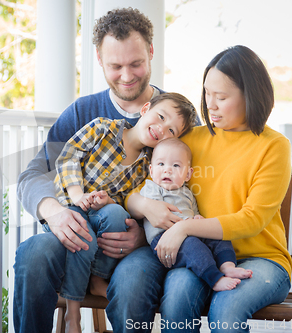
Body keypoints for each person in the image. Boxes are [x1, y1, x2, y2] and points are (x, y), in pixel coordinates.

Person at [14, 7, 200, 333]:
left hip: (139, 247)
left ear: (151, 52)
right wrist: (55, 212)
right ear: (99, 58)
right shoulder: (83, 113)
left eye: (136, 64)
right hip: (77, 227)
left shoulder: (178, 120)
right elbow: (34, 174)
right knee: (34, 254)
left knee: (131, 284)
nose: (127, 76)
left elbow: (192, 192)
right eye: (115, 66)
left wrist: (144, 236)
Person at [127, 45, 292, 332]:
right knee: (178, 297)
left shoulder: (273, 146)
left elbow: (252, 219)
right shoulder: (191, 139)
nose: (210, 105)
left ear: (249, 96)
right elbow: (140, 188)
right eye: (207, 93)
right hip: (201, 254)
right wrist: (144, 206)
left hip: (263, 259)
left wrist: (184, 228)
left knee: (225, 312)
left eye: (222, 97)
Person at [55, 93, 197, 332]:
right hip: (73, 208)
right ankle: (74, 313)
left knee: (113, 214)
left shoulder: (149, 167)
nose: (161, 129)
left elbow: (125, 201)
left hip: (105, 221)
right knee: (88, 224)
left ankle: (97, 280)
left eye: (171, 131)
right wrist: (79, 195)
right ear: (145, 109)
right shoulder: (102, 128)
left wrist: (110, 201)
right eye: (160, 117)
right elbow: (69, 156)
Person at [141, 138, 252, 292]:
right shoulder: (152, 188)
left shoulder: (187, 192)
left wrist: (198, 218)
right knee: (193, 247)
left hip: (188, 231)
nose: (167, 170)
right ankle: (215, 279)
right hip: (164, 239)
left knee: (219, 237)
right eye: (161, 164)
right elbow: (155, 213)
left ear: (188, 174)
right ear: (151, 171)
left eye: (176, 165)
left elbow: (193, 211)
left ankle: (228, 266)